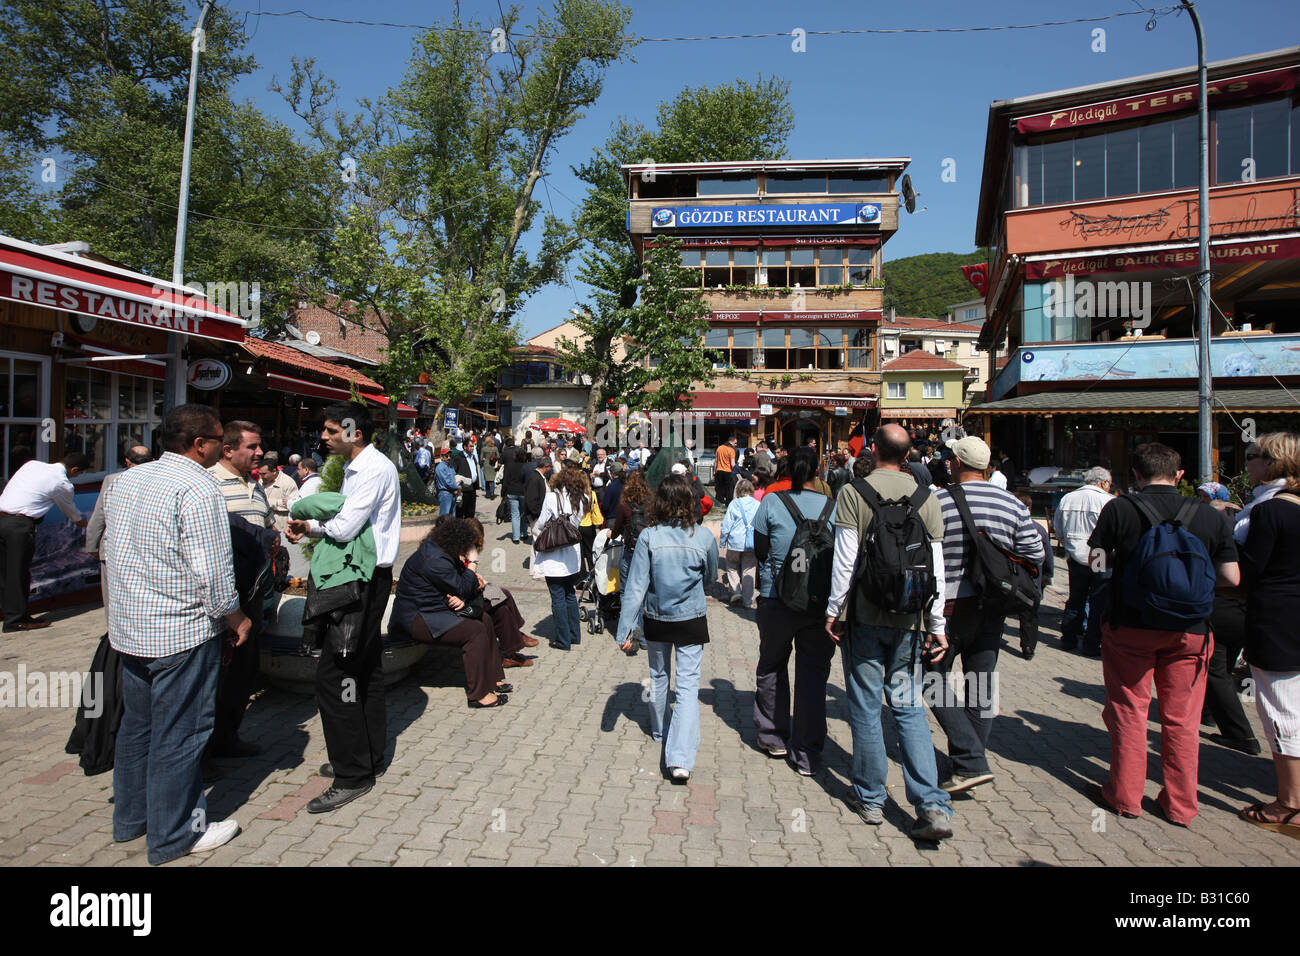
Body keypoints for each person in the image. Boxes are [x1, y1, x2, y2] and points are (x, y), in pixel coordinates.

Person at [104, 404, 250, 863]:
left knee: (138, 727)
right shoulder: (197, 486)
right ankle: (174, 834)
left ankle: (132, 819)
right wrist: (234, 616)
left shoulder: (124, 481)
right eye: (217, 439)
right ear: (200, 444)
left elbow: (112, 552)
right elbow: (212, 570)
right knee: (181, 733)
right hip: (180, 631)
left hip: (132, 628)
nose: (220, 447)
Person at [1088, 442, 1239, 825]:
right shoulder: (1210, 516)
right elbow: (1231, 577)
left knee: (1129, 711)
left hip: (1131, 628)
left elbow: (1097, 563)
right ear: (1180, 475)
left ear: (1135, 474)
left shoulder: (1119, 508)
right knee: (1182, 721)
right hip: (1190, 631)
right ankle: (1181, 805)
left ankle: (1124, 796)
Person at [823, 424, 953, 839]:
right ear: (909, 454)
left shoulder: (854, 492)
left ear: (873, 449)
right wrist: (938, 625)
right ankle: (930, 805)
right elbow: (937, 569)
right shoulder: (927, 497)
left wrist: (834, 610)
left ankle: (872, 798)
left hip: (865, 615)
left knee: (864, 707)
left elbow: (845, 560)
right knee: (909, 707)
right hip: (911, 619)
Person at [286, 402, 402, 814]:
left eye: (331, 430)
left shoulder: (371, 469)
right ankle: (364, 759)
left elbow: (346, 527)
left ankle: (352, 774)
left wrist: (311, 518)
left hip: (359, 582)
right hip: (363, 579)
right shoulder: (359, 469)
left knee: (336, 678)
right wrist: (314, 525)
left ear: (353, 433)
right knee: (363, 670)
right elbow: (344, 522)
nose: (324, 435)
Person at [929, 436, 1044, 794]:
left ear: (957, 464)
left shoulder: (939, 501)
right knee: (980, 685)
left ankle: (970, 761)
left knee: (929, 679)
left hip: (948, 606)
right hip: (992, 606)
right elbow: (1035, 551)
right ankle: (969, 765)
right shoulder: (1011, 503)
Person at [615, 475, 719, 782]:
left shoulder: (649, 536)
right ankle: (681, 759)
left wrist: (625, 631)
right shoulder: (703, 537)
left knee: (659, 678)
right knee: (687, 687)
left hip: (657, 617)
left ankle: (661, 731)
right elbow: (711, 577)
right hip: (691, 618)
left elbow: (635, 586)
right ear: (691, 503)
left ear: (659, 502)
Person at [751, 447, 837, 776]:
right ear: (818, 471)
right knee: (813, 675)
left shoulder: (772, 502)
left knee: (772, 666)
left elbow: (759, 550)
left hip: (776, 598)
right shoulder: (834, 505)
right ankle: (807, 753)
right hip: (819, 602)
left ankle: (773, 737)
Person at [1236, 432, 1300, 836]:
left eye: (1252, 456)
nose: (1247, 464)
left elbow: (1249, 569)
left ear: (1272, 462)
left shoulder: (1270, 511)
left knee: (1280, 710)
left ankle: (1289, 802)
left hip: (1277, 619)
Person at [207, 421, 275, 761]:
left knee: (242, 672)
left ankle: (228, 737)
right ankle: (205, 749)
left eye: (259, 446)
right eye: (252, 447)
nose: (259, 452)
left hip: (253, 593)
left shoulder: (255, 483)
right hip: (222, 595)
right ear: (228, 450)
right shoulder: (210, 485)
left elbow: (265, 526)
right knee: (216, 672)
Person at [389, 519, 513, 707]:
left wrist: (468, 589)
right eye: (468, 545)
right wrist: (472, 563)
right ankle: (478, 695)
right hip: (417, 618)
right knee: (475, 632)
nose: (470, 549)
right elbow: (463, 586)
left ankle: (491, 678)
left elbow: (460, 585)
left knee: (485, 619)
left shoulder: (441, 550)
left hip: (434, 610)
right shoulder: (435, 559)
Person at [0, 450, 89, 631]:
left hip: (2, 519)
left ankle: (11, 613)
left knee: (5, 572)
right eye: (78, 474)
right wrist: (85, 523)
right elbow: (73, 514)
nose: (76, 478)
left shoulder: (32, 465)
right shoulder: (62, 483)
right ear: (74, 469)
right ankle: (16, 619)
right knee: (18, 573)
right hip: (20, 526)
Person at [1053, 467, 1114, 656]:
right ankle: (1091, 642)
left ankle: (1069, 638)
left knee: (1076, 598)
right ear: (1103, 482)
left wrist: (1068, 544)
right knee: (1098, 600)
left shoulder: (1068, 498)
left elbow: (1059, 529)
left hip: (1075, 554)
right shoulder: (1107, 501)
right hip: (1098, 555)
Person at [85, 444, 151, 614]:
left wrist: (92, 545)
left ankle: (113, 634)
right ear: (152, 460)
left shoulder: (113, 480)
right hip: (147, 548)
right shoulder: (163, 480)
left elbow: (100, 514)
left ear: (127, 462)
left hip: (115, 547)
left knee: (113, 597)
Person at [532, 465, 587, 651]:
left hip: (554, 552)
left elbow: (540, 523)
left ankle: (563, 640)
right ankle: (574, 635)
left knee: (557, 596)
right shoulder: (581, 499)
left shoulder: (551, 497)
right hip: (572, 552)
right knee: (570, 594)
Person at [1014, 492, 1053, 660]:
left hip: (1012, 578)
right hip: (1032, 579)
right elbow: (1048, 556)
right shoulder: (1038, 529)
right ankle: (1028, 646)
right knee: (1029, 615)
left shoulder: (1008, 525)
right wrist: (1048, 574)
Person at [1235, 440, 1287, 544]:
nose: (1246, 464)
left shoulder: (1270, 506)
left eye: (1249, 457)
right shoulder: (1265, 498)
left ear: (1269, 461)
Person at [717, 478, 759, 608]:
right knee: (749, 569)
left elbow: (726, 525)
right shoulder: (758, 504)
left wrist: (723, 541)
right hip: (752, 542)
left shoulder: (734, 504)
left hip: (735, 541)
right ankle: (747, 600)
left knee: (731, 565)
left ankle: (735, 592)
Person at [258, 451, 299, 532]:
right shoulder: (261, 481)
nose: (261, 476)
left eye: (264, 474)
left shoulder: (288, 482)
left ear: (274, 471)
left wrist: (269, 502)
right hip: (264, 523)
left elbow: (293, 504)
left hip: (281, 525)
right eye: (260, 474)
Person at [502, 446, 529, 544]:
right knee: (523, 513)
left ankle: (516, 537)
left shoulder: (509, 466)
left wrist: (503, 492)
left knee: (515, 515)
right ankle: (524, 533)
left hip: (512, 491)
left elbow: (506, 480)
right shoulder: (525, 466)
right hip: (523, 492)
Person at [522, 456, 552, 536]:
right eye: (550, 467)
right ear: (546, 467)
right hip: (537, 517)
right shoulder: (535, 478)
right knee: (539, 540)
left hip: (540, 515)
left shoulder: (539, 477)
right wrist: (538, 513)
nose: (551, 469)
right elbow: (531, 499)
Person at [434, 446, 459, 516]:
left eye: (450, 456)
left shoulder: (450, 466)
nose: (449, 457)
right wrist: (457, 487)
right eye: (446, 456)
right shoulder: (440, 467)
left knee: (452, 516)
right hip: (445, 494)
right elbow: (446, 481)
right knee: (444, 516)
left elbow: (454, 478)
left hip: (453, 493)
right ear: (441, 457)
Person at [714, 436, 738, 508]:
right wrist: (738, 471)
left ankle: (718, 502)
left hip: (719, 471)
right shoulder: (731, 450)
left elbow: (716, 461)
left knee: (719, 488)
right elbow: (732, 463)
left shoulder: (719, 448)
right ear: (731, 442)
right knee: (729, 489)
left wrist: (714, 471)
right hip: (728, 471)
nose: (736, 445)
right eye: (735, 443)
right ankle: (728, 503)